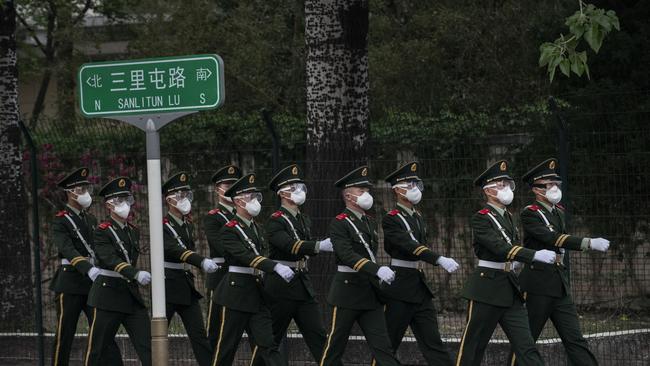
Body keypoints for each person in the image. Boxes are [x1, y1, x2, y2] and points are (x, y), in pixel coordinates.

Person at [509, 158, 610, 366]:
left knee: (575, 340)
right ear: (537, 190)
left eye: (556, 184)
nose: (555, 188)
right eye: (549, 184)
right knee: (526, 342)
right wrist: (587, 242)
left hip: (559, 284)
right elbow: (552, 238)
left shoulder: (559, 211)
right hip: (537, 284)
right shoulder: (530, 213)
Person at [455, 160, 555, 366]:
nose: (506, 189)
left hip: (509, 287)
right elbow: (498, 246)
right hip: (487, 288)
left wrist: (515, 263)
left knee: (526, 345)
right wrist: (533, 255)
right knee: (474, 344)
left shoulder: (509, 216)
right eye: (500, 185)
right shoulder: (481, 218)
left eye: (507, 184)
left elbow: (508, 248)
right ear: (488, 191)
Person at [210, 173, 294, 366]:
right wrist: (274, 266)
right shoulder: (229, 229)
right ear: (238, 200)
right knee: (226, 349)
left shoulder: (256, 228)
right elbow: (245, 256)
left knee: (269, 345)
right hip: (235, 296)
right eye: (250, 197)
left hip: (256, 295)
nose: (255, 201)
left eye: (256, 196)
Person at [319, 166, 399, 366]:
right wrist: (376, 269)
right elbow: (346, 255)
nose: (366, 194)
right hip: (347, 291)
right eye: (361, 191)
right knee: (335, 345)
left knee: (383, 346)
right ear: (348, 195)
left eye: (367, 190)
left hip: (369, 292)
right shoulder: (339, 223)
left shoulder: (369, 222)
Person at [380, 161, 458, 365]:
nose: (414, 189)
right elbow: (409, 245)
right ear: (397, 189)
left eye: (416, 184)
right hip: (400, 287)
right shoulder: (392, 218)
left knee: (433, 342)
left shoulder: (418, 216)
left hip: (419, 286)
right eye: (409, 184)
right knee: (389, 343)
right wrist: (438, 259)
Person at [50, 167, 122, 366]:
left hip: (92, 283)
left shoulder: (90, 219)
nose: (85, 193)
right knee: (65, 334)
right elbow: (67, 249)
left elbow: (98, 248)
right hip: (70, 282)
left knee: (103, 330)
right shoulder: (61, 220)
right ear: (70, 192)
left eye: (85, 188)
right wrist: (87, 268)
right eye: (80, 189)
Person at [265, 164, 336, 364]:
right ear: (282, 193)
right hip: (280, 287)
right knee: (271, 339)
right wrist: (318, 246)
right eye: (293, 187)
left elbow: (303, 247)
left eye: (300, 186)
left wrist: (315, 246)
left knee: (318, 337)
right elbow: (289, 245)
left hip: (302, 285)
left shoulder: (302, 218)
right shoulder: (275, 220)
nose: (299, 191)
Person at [84, 177, 152, 366]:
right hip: (108, 295)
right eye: (119, 201)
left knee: (148, 346)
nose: (125, 205)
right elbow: (109, 258)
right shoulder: (101, 231)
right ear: (109, 205)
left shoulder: (133, 230)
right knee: (97, 349)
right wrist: (135, 273)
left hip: (130, 295)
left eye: (127, 199)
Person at [161, 172, 219, 366]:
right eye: (179, 196)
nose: (184, 200)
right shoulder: (163, 225)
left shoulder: (186, 224)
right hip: (167, 286)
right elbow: (174, 249)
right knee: (157, 334)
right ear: (169, 200)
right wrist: (201, 261)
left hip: (185, 284)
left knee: (199, 336)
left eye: (186, 195)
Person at [203, 165, 241, 348]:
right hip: (221, 275)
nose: (231, 189)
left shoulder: (245, 216)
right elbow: (221, 247)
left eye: (235, 184)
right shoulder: (214, 217)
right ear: (218, 189)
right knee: (216, 329)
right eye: (227, 185)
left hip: (243, 277)